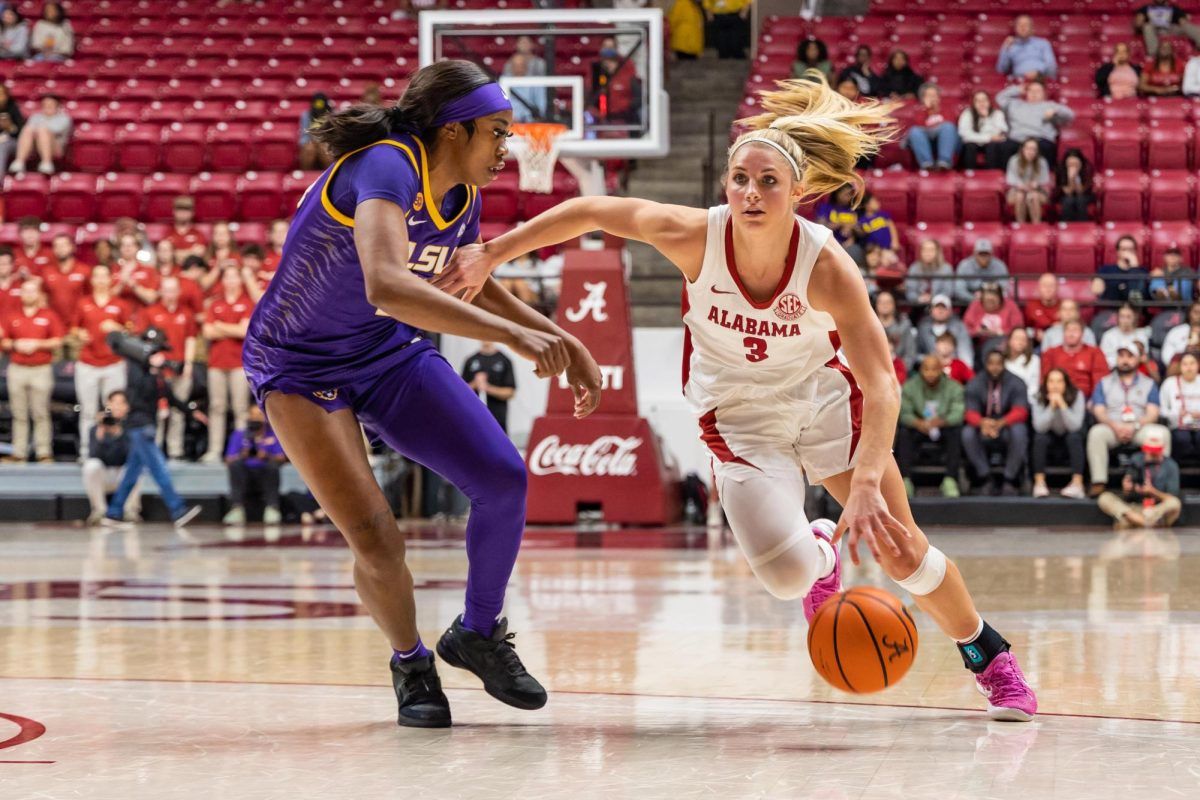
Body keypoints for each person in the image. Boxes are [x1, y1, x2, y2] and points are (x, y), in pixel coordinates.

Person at [439, 72, 1038, 720]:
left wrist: (865, 482)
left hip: (825, 405)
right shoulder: (695, 234)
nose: (751, 193)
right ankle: (821, 551)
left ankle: (992, 660)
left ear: (798, 190)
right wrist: (490, 253)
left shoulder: (828, 266)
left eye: (768, 181)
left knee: (905, 553)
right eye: (740, 180)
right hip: (743, 421)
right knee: (787, 579)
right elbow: (590, 211)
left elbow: (882, 383)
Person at [239, 60, 605, 729]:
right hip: (297, 364)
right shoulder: (386, 165)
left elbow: (463, 279)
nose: (507, 148)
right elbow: (386, 282)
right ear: (452, 132)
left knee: (503, 478)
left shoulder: (462, 194)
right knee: (378, 540)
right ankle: (410, 661)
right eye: (496, 133)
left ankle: (478, 632)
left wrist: (560, 335)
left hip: (383, 354)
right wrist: (519, 341)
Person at [102, 327, 204, 529]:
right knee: (159, 469)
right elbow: (137, 387)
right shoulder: (136, 368)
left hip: (147, 424)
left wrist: (192, 412)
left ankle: (113, 512)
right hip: (139, 426)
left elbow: (169, 396)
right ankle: (177, 510)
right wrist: (149, 365)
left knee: (132, 473)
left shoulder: (155, 373)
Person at [1087, 343, 1170, 496]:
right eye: (1121, 356)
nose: (1125, 360)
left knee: (1162, 433)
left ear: (1138, 359)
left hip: (1139, 427)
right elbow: (1098, 410)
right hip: (1112, 426)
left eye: (1130, 356)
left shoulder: (1148, 383)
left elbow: (1153, 412)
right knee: (1096, 433)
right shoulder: (1104, 382)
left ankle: (1160, 483)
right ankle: (1099, 482)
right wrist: (1115, 426)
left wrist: (1135, 426)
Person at [0, 278, 63, 463]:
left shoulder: (49, 315)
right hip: (17, 368)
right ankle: (19, 452)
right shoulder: (11, 315)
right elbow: (3, 340)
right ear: (21, 294)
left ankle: (44, 452)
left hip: (41, 368)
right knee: (19, 413)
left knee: (41, 412)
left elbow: (58, 340)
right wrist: (15, 344)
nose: (28, 295)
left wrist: (37, 344)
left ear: (38, 294)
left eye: (32, 291)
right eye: (25, 291)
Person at [73, 266, 131, 461]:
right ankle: (87, 450)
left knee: (114, 410)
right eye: (96, 276)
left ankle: (116, 449)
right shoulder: (83, 303)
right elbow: (73, 328)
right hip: (88, 363)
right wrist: (79, 334)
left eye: (104, 276)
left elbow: (131, 333)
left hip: (113, 363)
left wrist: (117, 328)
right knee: (88, 410)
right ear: (92, 280)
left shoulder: (120, 304)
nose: (100, 280)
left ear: (110, 279)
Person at [139, 276, 197, 461]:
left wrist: (188, 363)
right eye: (167, 290)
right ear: (161, 292)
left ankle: (175, 450)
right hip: (158, 371)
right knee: (157, 412)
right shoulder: (150, 312)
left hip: (180, 368)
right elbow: (143, 342)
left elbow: (191, 339)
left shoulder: (186, 313)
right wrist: (151, 362)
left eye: (173, 290)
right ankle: (154, 449)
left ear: (179, 292)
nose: (170, 294)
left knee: (178, 412)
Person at [202, 266, 254, 463]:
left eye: (235, 277)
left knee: (240, 408)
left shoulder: (247, 303)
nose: (231, 281)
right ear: (222, 281)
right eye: (228, 277)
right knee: (216, 407)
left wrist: (220, 326)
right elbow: (207, 332)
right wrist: (233, 328)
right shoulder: (215, 305)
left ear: (240, 280)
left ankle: (238, 449)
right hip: (216, 363)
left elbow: (244, 332)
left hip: (239, 364)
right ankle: (214, 449)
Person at [962, 349, 1029, 496]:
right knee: (967, 433)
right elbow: (969, 411)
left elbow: (1021, 410)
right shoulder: (975, 382)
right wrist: (982, 423)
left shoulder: (1016, 382)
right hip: (983, 427)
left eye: (998, 364)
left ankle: (1009, 479)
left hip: (1007, 426)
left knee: (1020, 430)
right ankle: (985, 478)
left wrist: (1001, 422)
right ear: (985, 364)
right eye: (991, 364)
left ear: (1004, 364)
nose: (995, 367)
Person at [896, 354, 964, 499]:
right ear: (921, 370)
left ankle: (950, 480)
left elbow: (958, 413)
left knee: (956, 432)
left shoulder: (954, 387)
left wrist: (942, 421)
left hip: (943, 425)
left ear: (941, 370)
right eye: (926, 369)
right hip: (919, 426)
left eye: (934, 369)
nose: (930, 373)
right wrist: (917, 422)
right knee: (904, 432)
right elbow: (904, 413)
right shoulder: (910, 386)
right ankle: (905, 479)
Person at [1097, 428, 1181, 528]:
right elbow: (1128, 493)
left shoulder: (1171, 465)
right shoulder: (1136, 460)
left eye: (1156, 451)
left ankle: (1138, 522)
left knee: (1175, 503)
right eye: (1150, 450)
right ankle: (1140, 521)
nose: (1152, 454)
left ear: (1162, 450)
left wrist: (1153, 492)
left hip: (1156, 510)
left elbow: (1172, 498)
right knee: (1104, 497)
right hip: (1135, 508)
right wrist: (1127, 489)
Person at [81, 389, 142, 525]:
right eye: (113, 402)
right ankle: (99, 510)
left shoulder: (132, 428)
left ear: (127, 407)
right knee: (91, 465)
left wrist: (117, 434)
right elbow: (94, 455)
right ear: (107, 405)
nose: (117, 406)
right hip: (104, 476)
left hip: (123, 476)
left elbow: (129, 456)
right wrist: (100, 435)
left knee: (135, 467)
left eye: (121, 403)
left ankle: (130, 510)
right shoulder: (95, 428)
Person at [222, 405, 286, 526]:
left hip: (265, 471)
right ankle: (236, 508)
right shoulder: (239, 434)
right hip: (245, 472)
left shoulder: (273, 434)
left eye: (259, 415)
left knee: (272, 466)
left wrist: (266, 455)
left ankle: (272, 508)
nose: (256, 418)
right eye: (253, 415)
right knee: (235, 465)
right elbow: (228, 459)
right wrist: (242, 454)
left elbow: (282, 457)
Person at [1030, 368, 1087, 499]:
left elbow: (1075, 426)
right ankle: (1039, 483)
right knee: (1039, 438)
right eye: (1051, 381)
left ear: (1066, 384)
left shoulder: (1077, 395)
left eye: (1059, 381)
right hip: (1049, 437)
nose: (1055, 386)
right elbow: (1039, 427)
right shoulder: (1038, 396)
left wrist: (1062, 405)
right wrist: (1051, 406)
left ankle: (1077, 484)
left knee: (1075, 437)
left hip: (1069, 436)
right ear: (1045, 384)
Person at [996, 82, 1073, 167]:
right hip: (1018, 139)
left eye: (1038, 91)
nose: (1034, 93)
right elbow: (999, 98)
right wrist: (1017, 89)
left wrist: (1056, 111)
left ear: (1044, 93)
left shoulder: (1050, 105)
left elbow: (1070, 115)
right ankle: (1005, 177)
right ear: (1026, 92)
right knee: (1004, 147)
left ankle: (1047, 178)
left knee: (1047, 147)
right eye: (1031, 90)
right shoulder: (1015, 104)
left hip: (1040, 139)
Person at [1042, 319, 1109, 399]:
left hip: (1086, 399)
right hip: (1057, 397)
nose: (1071, 334)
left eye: (1075, 330)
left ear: (1082, 333)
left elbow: (1100, 380)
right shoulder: (1050, 353)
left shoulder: (1095, 352)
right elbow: (1045, 379)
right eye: (1068, 330)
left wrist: (1094, 400)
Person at [7, 93, 70, 176]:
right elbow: (29, 131)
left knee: (42, 130)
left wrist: (38, 129)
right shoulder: (35, 116)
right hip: (34, 146)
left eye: (50, 104)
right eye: (45, 104)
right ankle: (19, 162)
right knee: (28, 129)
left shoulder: (64, 118)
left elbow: (56, 130)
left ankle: (47, 163)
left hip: (55, 148)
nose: (47, 106)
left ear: (57, 106)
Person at [461, 342, 516, 432]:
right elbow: (460, 391)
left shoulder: (504, 360)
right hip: (473, 418)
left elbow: (510, 392)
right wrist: (475, 384)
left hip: (497, 419)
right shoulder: (471, 360)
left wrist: (487, 387)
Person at [964, 283, 1024, 362]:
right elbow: (965, 328)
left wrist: (1000, 332)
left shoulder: (1010, 306)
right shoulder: (975, 305)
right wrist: (977, 331)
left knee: (992, 350)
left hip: (1002, 341)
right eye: (987, 301)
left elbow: (1018, 328)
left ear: (1001, 299)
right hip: (978, 342)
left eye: (993, 301)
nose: (990, 304)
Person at [906, 83, 959, 171]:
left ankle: (944, 163)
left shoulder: (947, 108)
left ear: (939, 97)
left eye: (935, 95)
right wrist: (927, 109)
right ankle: (927, 164)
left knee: (948, 127)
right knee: (914, 131)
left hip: (945, 142)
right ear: (923, 98)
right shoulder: (919, 111)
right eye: (929, 96)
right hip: (926, 142)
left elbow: (951, 126)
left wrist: (936, 110)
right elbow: (917, 128)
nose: (932, 98)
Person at [1159, 351, 1200, 463]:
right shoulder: (1169, 383)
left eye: (1192, 363)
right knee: (1182, 439)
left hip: (1198, 425)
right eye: (1185, 364)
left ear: (1198, 365)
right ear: (1180, 366)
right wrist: (1176, 414)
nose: (1189, 367)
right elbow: (1161, 410)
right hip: (1178, 426)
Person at [957, 90, 1008, 170]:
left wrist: (986, 118)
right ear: (973, 104)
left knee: (993, 146)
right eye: (978, 101)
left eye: (984, 100)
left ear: (989, 101)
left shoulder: (997, 114)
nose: (981, 103)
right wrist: (989, 138)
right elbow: (964, 134)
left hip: (991, 145)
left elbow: (1000, 134)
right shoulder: (967, 113)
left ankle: (992, 176)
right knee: (969, 146)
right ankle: (969, 174)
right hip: (973, 144)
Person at [917, 294, 973, 365]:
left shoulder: (959, 327)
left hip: (954, 367)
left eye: (944, 307)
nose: (940, 310)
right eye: (937, 307)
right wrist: (931, 359)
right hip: (930, 368)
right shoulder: (923, 327)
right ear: (931, 310)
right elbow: (916, 354)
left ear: (950, 311)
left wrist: (963, 368)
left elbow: (965, 353)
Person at [996, 15, 1057, 80]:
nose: (1023, 27)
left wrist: (1038, 73)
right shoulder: (1011, 45)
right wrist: (1005, 48)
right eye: (1020, 25)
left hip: (1040, 79)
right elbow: (1001, 70)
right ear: (1015, 28)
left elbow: (1051, 66)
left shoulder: (1043, 43)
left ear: (1031, 28)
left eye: (1026, 25)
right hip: (1020, 81)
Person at [1005, 138, 1051, 224]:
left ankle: (1036, 225)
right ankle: (1020, 226)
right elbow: (1010, 180)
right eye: (1028, 148)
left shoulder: (1042, 161)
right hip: (1017, 190)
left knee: (1033, 195)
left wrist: (1035, 184)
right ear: (1023, 149)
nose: (1031, 152)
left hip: (1037, 191)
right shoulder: (1014, 160)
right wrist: (1021, 186)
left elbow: (1044, 180)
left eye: (1034, 149)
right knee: (1020, 196)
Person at [1093, 235, 1149, 304]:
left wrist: (1134, 268)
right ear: (1118, 251)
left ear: (1135, 251)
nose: (1127, 253)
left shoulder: (1143, 272)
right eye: (1124, 249)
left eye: (1130, 249)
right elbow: (1096, 290)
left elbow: (1137, 298)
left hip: (1134, 310)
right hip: (1111, 309)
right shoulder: (1106, 270)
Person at [954, 239, 1010, 305]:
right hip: (969, 302)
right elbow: (959, 290)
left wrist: (988, 298)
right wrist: (974, 299)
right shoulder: (964, 265)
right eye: (980, 254)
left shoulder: (1000, 265)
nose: (983, 257)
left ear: (991, 254)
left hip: (993, 302)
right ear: (974, 254)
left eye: (986, 254)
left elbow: (1004, 287)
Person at [1135, 3, 1200, 55]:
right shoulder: (1146, 8)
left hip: (1170, 28)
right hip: (1154, 29)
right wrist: (1139, 20)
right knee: (1147, 26)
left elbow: (1182, 22)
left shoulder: (1173, 8)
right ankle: (1154, 54)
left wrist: (1185, 19)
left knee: (1188, 26)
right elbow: (1138, 23)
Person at [905, 239, 955, 306]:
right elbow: (910, 291)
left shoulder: (946, 269)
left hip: (939, 305)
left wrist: (933, 298)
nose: (927, 253)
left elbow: (948, 291)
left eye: (931, 250)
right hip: (917, 305)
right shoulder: (914, 268)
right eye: (924, 250)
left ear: (937, 252)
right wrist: (918, 298)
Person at [1099, 302, 1150, 368]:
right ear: (1118, 317)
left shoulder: (1142, 335)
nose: (1125, 320)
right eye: (1122, 316)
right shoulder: (1108, 335)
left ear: (1135, 317)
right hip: (1113, 371)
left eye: (1128, 317)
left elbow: (1143, 358)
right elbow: (1103, 359)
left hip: (1136, 371)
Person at [874, 290, 915, 370]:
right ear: (876, 305)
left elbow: (910, 353)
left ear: (894, 305)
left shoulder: (904, 325)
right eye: (881, 302)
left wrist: (901, 370)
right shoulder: (869, 326)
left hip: (899, 371)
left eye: (888, 302)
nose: (884, 305)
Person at [502, 53, 547, 123]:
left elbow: (542, 106)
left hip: (531, 124)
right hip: (509, 124)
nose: (519, 68)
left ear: (526, 66)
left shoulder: (536, 83)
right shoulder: (502, 82)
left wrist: (534, 118)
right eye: (516, 65)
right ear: (511, 67)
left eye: (521, 65)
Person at [1054, 148, 1095, 223]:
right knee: (1068, 201)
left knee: (1080, 200)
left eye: (1075, 164)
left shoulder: (1087, 169)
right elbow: (1068, 192)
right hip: (1065, 195)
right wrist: (1071, 178)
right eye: (1070, 164)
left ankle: (1083, 226)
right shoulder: (1061, 169)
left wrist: (1076, 176)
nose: (1073, 166)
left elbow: (1080, 191)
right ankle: (1065, 226)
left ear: (1080, 163)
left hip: (1085, 194)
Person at [299, 92, 334, 171]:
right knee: (309, 149)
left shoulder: (333, 115)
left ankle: (329, 176)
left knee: (324, 148)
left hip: (328, 143)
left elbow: (335, 136)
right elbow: (303, 138)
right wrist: (314, 142)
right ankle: (306, 176)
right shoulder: (306, 115)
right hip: (311, 143)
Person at [166, 196, 208, 262]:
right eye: (180, 209)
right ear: (173, 211)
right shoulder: (168, 234)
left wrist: (175, 253)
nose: (183, 213)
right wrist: (191, 251)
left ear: (192, 212)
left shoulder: (198, 234)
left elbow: (199, 253)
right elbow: (165, 255)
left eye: (186, 209)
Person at [1004, 327, 1040, 402]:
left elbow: (1034, 388)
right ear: (1009, 341)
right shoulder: (1001, 360)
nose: (1020, 342)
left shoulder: (1034, 360)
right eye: (1017, 338)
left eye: (1023, 339)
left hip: (1026, 401)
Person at [1161, 300, 1200, 368]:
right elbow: (1167, 357)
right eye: (1196, 312)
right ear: (1189, 314)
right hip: (1180, 368)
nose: (1199, 315)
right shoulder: (1176, 332)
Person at [0, 82, 22, 176]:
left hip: (12, 142)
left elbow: (22, 133)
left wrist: (10, 127)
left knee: (2, 145)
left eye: (1, 94)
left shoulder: (13, 108)